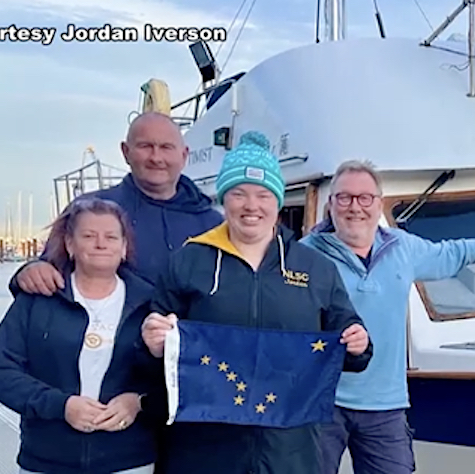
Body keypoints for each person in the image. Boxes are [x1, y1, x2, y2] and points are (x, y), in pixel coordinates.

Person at [140, 131, 374, 474]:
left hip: (290, 451)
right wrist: (151, 345)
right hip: (204, 451)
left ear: (278, 201)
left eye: (263, 194)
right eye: (239, 194)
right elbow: (148, 356)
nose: (252, 206)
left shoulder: (314, 268)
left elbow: (349, 345)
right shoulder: (189, 262)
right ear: (224, 199)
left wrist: (359, 344)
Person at [299, 159, 475, 474]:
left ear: (379, 204)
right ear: (331, 204)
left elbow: (454, 253)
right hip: (320, 403)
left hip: (385, 404)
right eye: (344, 197)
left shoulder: (402, 247)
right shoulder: (306, 255)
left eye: (365, 198)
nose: (354, 207)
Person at [0, 197, 163, 474]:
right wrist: (61, 405)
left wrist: (137, 401)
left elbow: (174, 377)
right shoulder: (37, 301)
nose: (101, 244)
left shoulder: (151, 306)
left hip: (128, 460)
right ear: (69, 244)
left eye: (111, 237)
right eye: (89, 236)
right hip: (47, 460)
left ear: (124, 247)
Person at [11, 111, 223, 294]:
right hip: (109, 339)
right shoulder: (87, 210)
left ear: (184, 155)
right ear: (125, 152)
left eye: (166, 147)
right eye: (145, 146)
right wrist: (30, 272)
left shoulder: (213, 223)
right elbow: (48, 270)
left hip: (188, 338)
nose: (156, 157)